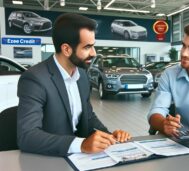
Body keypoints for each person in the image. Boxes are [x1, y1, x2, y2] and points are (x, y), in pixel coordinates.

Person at [17, 13, 131, 157]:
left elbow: (88, 118)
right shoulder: (35, 79)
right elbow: (27, 137)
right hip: (49, 160)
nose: (94, 53)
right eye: (87, 47)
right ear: (66, 49)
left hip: (82, 160)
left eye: (93, 46)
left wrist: (109, 136)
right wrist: (80, 145)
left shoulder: (82, 75)